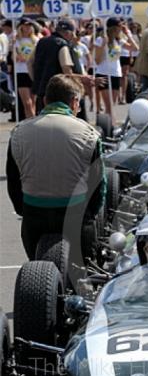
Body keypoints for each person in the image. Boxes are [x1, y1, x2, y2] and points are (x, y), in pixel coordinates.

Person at [6, 74, 105, 263]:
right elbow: (99, 185)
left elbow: (13, 181)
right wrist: (90, 214)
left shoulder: (19, 132)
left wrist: (24, 211)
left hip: (34, 216)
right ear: (75, 102)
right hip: (76, 215)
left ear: (45, 101)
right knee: (88, 274)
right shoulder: (90, 134)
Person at [94, 17, 138, 115]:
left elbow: (135, 48)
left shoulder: (119, 41)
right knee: (108, 106)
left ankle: (108, 125)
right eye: (120, 26)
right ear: (114, 28)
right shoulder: (100, 39)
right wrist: (103, 45)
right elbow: (97, 60)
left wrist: (128, 34)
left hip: (116, 74)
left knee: (112, 106)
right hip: (103, 73)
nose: (121, 29)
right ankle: (107, 126)